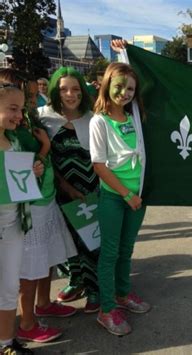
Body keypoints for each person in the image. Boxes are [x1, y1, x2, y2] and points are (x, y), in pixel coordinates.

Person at [0, 69, 78, 344]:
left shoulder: (29, 120)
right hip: (28, 207)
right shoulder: (16, 132)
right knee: (29, 269)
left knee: (45, 260)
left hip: (45, 197)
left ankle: (43, 304)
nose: (32, 103)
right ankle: (27, 321)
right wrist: (43, 149)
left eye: (33, 96)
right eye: (28, 97)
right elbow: (23, 168)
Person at [90, 57, 150, 336]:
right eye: (119, 86)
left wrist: (126, 52)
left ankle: (123, 295)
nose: (125, 93)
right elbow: (99, 165)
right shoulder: (99, 122)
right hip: (116, 198)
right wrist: (126, 194)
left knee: (127, 250)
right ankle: (106, 309)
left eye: (130, 89)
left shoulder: (135, 115)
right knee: (110, 253)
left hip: (138, 197)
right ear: (106, 85)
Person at [39, 67, 101, 313]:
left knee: (91, 242)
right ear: (55, 90)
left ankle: (95, 287)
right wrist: (64, 187)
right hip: (59, 191)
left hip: (91, 191)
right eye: (63, 88)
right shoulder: (43, 116)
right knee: (66, 242)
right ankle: (76, 281)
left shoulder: (93, 117)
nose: (70, 94)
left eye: (75, 88)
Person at [0, 77, 43, 354]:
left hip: (14, 224)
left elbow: (20, 183)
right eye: (12, 109)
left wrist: (33, 171)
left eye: (20, 109)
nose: (19, 115)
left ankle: (5, 343)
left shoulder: (15, 142)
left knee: (8, 286)